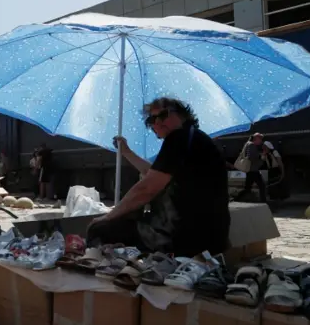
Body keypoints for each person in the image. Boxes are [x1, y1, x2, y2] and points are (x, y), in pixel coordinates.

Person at [87, 97, 230, 257]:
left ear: (181, 115)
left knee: (99, 230)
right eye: (151, 120)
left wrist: (108, 216)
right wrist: (126, 151)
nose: (157, 123)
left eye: (163, 115)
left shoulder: (178, 139)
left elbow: (147, 188)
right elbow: (153, 173)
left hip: (181, 239)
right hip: (212, 238)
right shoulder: (194, 139)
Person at [236, 133, 267, 203]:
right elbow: (251, 157)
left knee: (248, 187)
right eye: (260, 139)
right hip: (253, 170)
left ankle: (238, 199)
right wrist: (261, 156)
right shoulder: (251, 145)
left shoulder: (248, 144)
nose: (261, 141)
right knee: (262, 186)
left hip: (251, 170)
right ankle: (263, 202)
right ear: (256, 139)